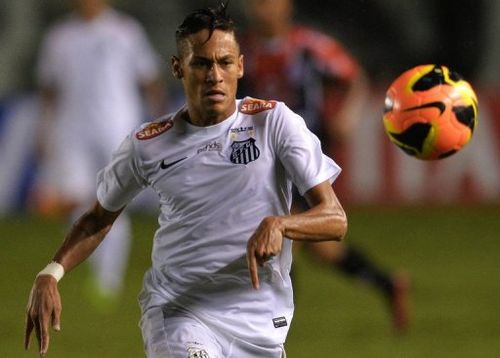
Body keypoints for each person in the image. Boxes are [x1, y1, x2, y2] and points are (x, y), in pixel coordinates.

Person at [24, 2, 347, 357]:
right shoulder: (147, 144)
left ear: (240, 66)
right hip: (179, 312)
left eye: (225, 63)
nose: (214, 75)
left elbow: (335, 219)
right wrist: (51, 273)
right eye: (202, 63)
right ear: (178, 67)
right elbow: (98, 218)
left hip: (260, 323)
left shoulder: (274, 124)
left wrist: (281, 225)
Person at [239, 0, 409, 332]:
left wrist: (348, 114)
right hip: (263, 154)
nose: (262, 9)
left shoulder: (309, 46)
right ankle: (386, 283)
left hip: (303, 153)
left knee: (282, 233)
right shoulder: (242, 49)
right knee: (320, 250)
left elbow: (354, 77)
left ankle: (271, 325)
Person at [32, 0, 166, 302]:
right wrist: (43, 130)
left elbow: (149, 79)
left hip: (117, 128)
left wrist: (159, 123)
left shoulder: (126, 31)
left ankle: (108, 279)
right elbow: (50, 89)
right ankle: (91, 268)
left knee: (112, 202)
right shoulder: (59, 36)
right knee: (76, 199)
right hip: (71, 130)